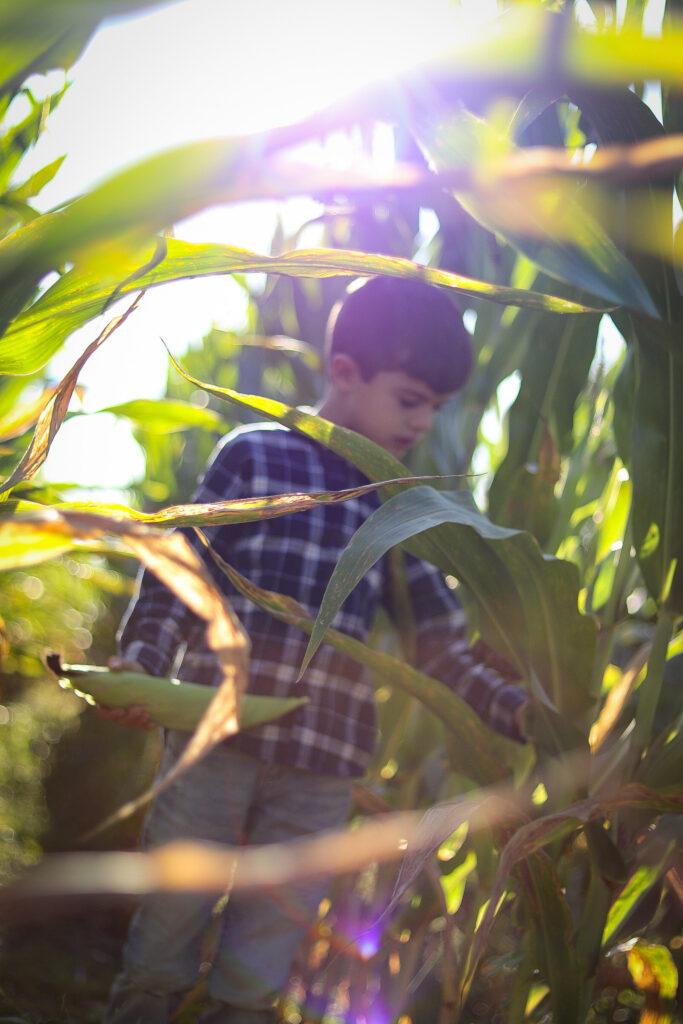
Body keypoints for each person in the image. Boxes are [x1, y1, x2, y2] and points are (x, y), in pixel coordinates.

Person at [102, 276, 528, 1024]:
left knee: (259, 965)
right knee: (167, 932)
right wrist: (141, 659)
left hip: (323, 769)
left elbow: (440, 650)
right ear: (345, 373)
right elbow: (182, 570)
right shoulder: (256, 457)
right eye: (409, 399)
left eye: (436, 406)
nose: (423, 423)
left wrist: (522, 713)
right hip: (216, 741)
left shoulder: (402, 508)